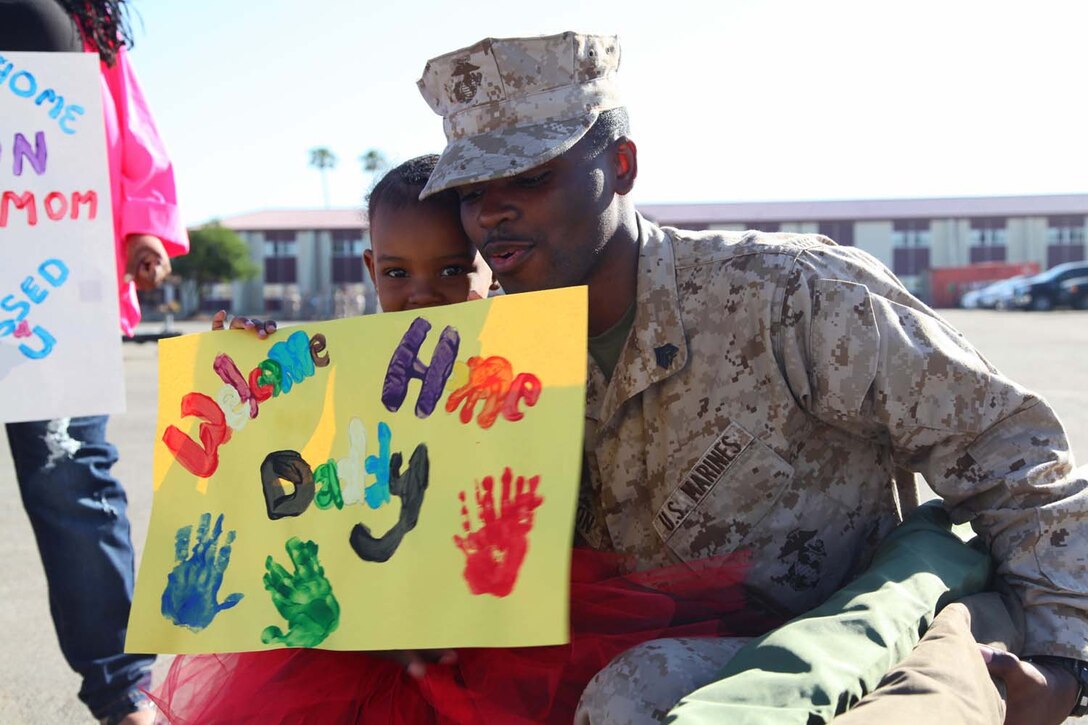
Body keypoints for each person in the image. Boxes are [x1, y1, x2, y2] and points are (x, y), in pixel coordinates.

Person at [413, 31, 1088, 724]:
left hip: (860, 647)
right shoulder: (486, 365)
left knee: (631, 694)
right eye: (470, 190)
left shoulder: (787, 293)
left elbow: (1016, 452)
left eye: (529, 177)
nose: (492, 211)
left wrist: (1063, 663)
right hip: (654, 668)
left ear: (620, 164)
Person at [0, 2, 189, 724]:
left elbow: (126, 127)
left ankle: (123, 692)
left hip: (49, 296)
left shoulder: (81, 18)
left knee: (73, 480)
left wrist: (144, 227)